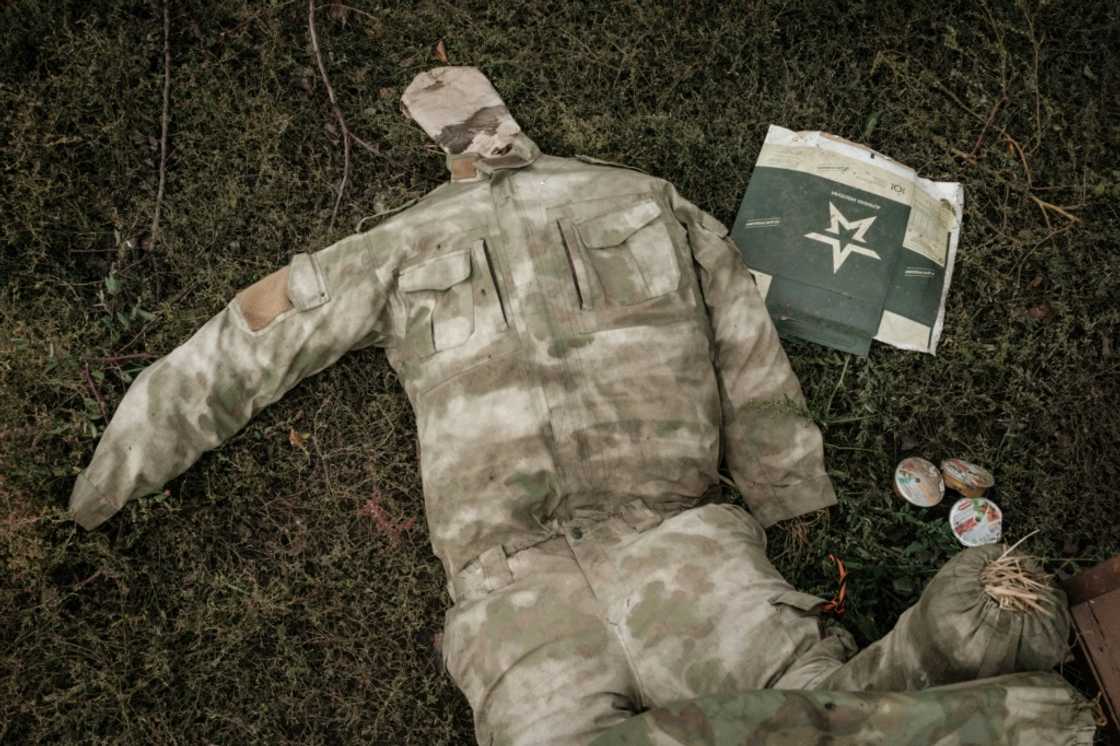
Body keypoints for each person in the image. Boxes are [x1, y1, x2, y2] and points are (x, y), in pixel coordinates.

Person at [69, 68, 1087, 745]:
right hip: (600, 568)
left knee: (784, 699)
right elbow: (739, 325)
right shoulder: (613, 203)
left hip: (618, 559)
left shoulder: (604, 206)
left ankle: (956, 657)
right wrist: (783, 483)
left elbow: (245, 342)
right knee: (799, 708)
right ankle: (959, 664)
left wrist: (104, 483)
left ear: (449, 142)